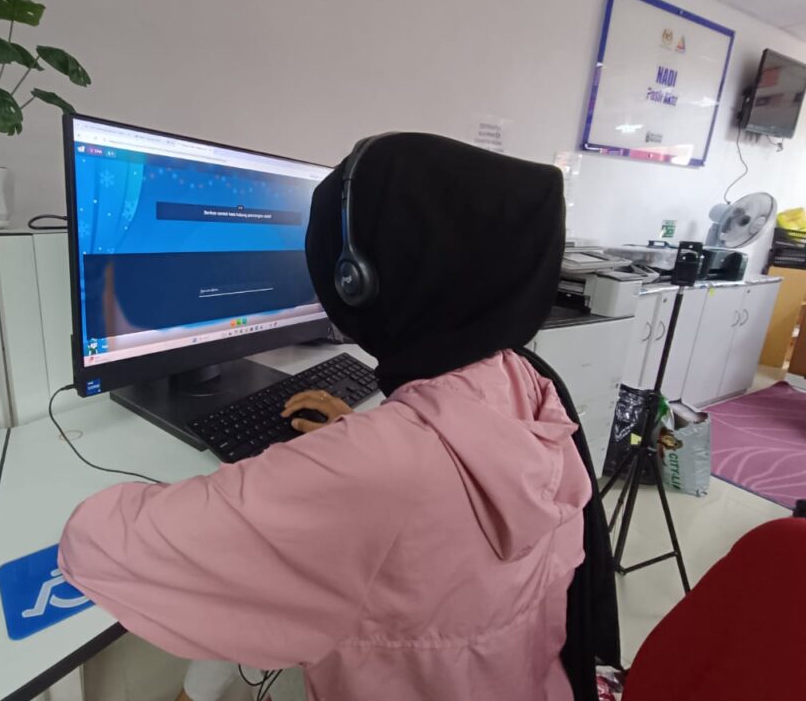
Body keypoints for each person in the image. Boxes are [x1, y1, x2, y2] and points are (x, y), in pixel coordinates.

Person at [59, 133, 591, 700]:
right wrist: (363, 439)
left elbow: (100, 545)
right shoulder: (525, 383)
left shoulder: (379, 468)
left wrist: (349, 459)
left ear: (355, 278)